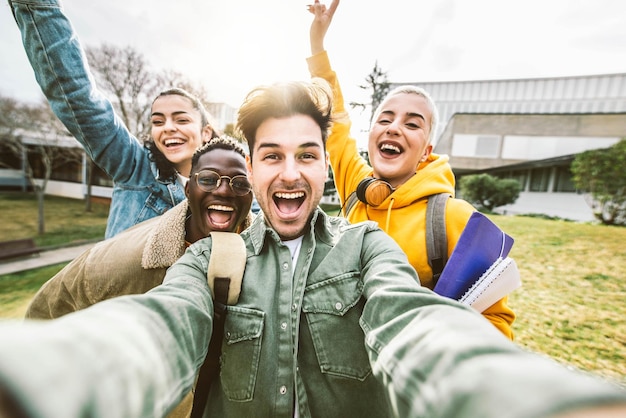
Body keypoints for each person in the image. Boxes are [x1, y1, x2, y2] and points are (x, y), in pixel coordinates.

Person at [1, 79, 625, 418]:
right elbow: (160, 329)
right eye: (271, 156)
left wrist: (521, 397)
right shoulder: (212, 258)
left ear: (328, 168)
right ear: (251, 167)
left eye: (307, 155)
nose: (290, 173)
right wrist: (47, 377)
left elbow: (416, 326)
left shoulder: (368, 247)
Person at [306, 0, 515, 338]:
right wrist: (318, 46)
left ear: (426, 152)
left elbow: (495, 321)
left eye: (412, 124)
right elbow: (338, 122)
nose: (393, 128)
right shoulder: (356, 191)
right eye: (384, 119)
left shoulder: (454, 218)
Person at [9, 0, 219, 238]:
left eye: (181, 120)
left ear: (206, 133)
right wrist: (37, 6)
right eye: (158, 122)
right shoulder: (133, 166)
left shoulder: (235, 187)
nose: (168, 128)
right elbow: (78, 97)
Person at [24, 136, 253, 320]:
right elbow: (45, 313)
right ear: (188, 190)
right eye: (208, 179)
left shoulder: (267, 258)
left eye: (240, 183)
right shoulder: (116, 262)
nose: (224, 190)